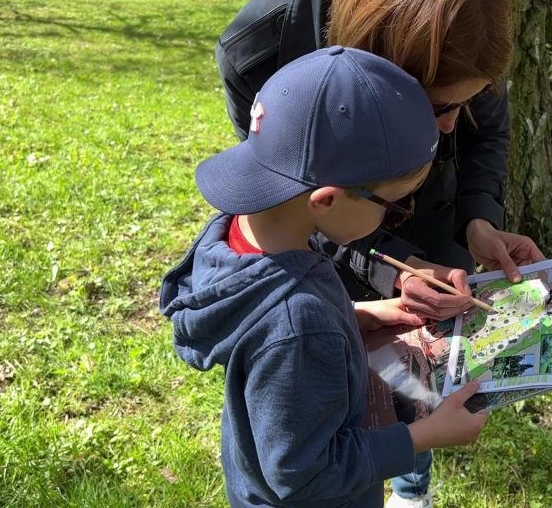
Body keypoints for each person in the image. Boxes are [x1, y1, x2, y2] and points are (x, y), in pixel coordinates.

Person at [214, 0, 544, 505]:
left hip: (371, 268)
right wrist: (389, 268)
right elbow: (294, 208)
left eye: (469, 100)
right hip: (333, 260)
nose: (449, 130)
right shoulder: (262, 53)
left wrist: (476, 221)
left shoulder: (469, 31)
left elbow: (486, 130)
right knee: (349, 399)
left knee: (417, 379)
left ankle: (410, 488)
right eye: (438, 108)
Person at [160, 46, 489, 508]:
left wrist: (355, 315)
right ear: (326, 200)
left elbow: (269, 334)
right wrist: (424, 434)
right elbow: (303, 475)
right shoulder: (299, 324)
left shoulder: (242, 233)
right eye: (396, 208)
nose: (395, 218)